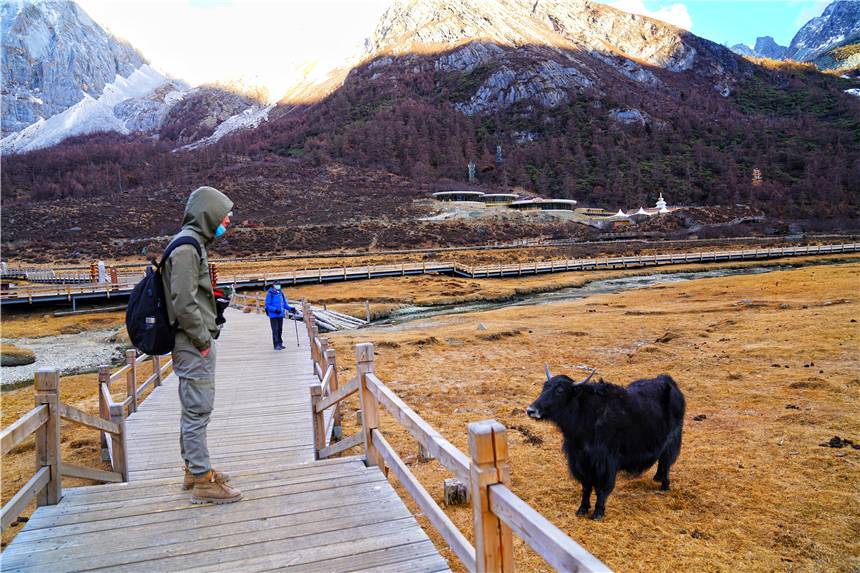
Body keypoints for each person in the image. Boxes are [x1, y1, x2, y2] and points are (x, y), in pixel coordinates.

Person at [162, 186, 242, 505]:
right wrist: (202, 339)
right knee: (198, 407)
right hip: (192, 343)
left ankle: (195, 470)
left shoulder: (191, 243)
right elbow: (182, 301)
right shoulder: (187, 247)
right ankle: (202, 481)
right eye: (225, 216)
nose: (228, 222)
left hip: (193, 341)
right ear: (208, 214)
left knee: (193, 406)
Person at [264, 283, 296, 350]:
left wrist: (291, 308)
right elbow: (267, 305)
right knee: (275, 330)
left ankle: (280, 343)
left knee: (280, 330)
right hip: (273, 315)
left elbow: (284, 304)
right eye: (277, 285)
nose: (278, 286)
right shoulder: (270, 294)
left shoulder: (281, 293)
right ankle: (276, 345)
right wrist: (275, 310)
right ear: (273, 286)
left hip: (280, 315)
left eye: (279, 284)